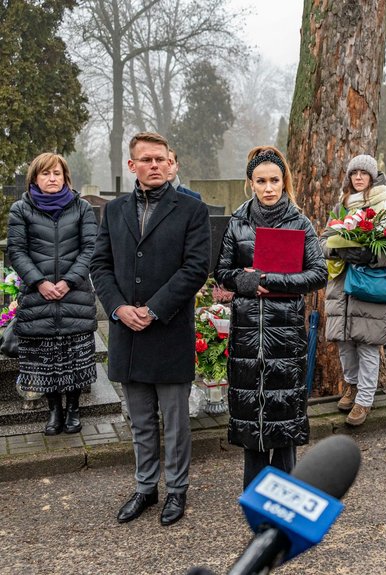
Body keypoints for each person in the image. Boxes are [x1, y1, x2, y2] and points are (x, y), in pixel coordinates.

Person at [91, 132, 211, 526]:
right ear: (133, 166)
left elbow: (195, 268)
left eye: (160, 158)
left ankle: (176, 491)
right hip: (127, 331)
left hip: (169, 329)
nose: (154, 165)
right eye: (146, 159)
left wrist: (154, 309)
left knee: (175, 423)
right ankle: (145, 487)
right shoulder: (114, 211)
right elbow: (100, 266)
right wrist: (118, 308)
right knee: (140, 420)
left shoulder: (191, 210)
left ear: (171, 163)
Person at [214, 146, 326, 489]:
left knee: (284, 420)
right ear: (250, 183)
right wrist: (246, 281)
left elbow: (318, 274)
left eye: (274, 180)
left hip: (286, 336)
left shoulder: (299, 222)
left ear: (284, 181)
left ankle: (287, 498)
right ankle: (257, 497)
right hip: (248, 333)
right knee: (253, 423)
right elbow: (222, 271)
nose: (268, 188)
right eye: (261, 181)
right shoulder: (238, 221)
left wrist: (269, 280)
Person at [6, 153, 98, 436]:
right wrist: (39, 282)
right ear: (34, 177)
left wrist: (69, 281)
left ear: (65, 177)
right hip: (38, 296)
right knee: (46, 360)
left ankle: (73, 409)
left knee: (73, 357)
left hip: (75, 295)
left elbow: (90, 248)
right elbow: (17, 251)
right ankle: (54, 411)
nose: (52, 178)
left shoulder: (82, 208)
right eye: (45, 174)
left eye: (57, 173)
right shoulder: (21, 209)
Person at [321, 154, 386, 427]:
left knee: (367, 346)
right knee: (345, 343)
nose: (358, 177)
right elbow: (322, 241)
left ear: (372, 177)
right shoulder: (340, 207)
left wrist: (369, 255)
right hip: (342, 287)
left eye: (363, 173)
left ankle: (365, 400)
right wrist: (338, 249)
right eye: (353, 173)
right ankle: (351, 387)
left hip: (369, 288)